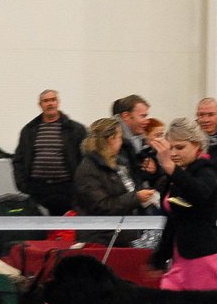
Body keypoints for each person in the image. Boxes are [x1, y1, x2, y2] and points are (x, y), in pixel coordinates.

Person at [150, 117, 217, 290]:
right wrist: (159, 258)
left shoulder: (206, 171)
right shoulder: (173, 178)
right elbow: (173, 221)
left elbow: (199, 194)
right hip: (181, 260)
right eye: (170, 148)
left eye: (180, 147)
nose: (173, 153)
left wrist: (171, 168)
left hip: (205, 259)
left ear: (197, 146)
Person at [73, 118, 156, 247]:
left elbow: (126, 190)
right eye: (119, 137)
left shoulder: (117, 162)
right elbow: (102, 206)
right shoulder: (88, 170)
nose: (122, 141)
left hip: (121, 235)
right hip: (101, 240)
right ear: (111, 138)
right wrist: (136, 197)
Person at [13, 89, 86, 215]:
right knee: (40, 231)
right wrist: (23, 185)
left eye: (53, 100)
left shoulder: (75, 130)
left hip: (67, 190)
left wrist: (80, 186)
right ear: (40, 105)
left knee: (66, 230)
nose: (50, 103)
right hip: (37, 190)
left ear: (58, 102)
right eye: (46, 101)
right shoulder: (29, 130)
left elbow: (85, 159)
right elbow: (18, 160)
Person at [113, 94, 151, 184]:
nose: (147, 121)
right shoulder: (112, 139)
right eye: (143, 116)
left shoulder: (141, 139)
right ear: (126, 116)